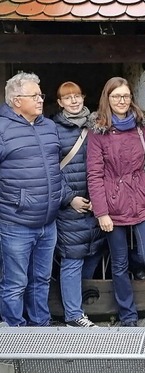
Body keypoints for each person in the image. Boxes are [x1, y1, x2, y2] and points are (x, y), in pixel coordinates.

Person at [87, 77, 145, 327]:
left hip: (141, 198)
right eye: (116, 96)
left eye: (125, 96)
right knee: (118, 263)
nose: (121, 101)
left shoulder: (142, 127)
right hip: (112, 202)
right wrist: (101, 212)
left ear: (131, 97)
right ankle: (127, 314)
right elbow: (95, 174)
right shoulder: (98, 131)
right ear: (107, 99)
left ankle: (138, 269)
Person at [0, 72, 62, 326]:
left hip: (48, 222)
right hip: (16, 223)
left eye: (40, 94)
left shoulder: (48, 126)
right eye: (34, 95)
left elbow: (58, 167)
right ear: (16, 100)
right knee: (15, 284)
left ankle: (41, 330)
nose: (40, 100)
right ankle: (15, 338)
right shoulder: (2, 129)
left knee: (41, 280)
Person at [54, 81, 106, 328]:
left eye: (77, 96)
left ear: (84, 98)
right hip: (70, 206)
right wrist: (69, 198)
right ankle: (74, 315)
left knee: (93, 252)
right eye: (68, 98)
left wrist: (101, 197)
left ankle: (79, 304)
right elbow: (50, 171)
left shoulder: (97, 126)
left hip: (96, 204)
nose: (73, 101)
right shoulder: (52, 129)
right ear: (60, 103)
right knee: (72, 258)